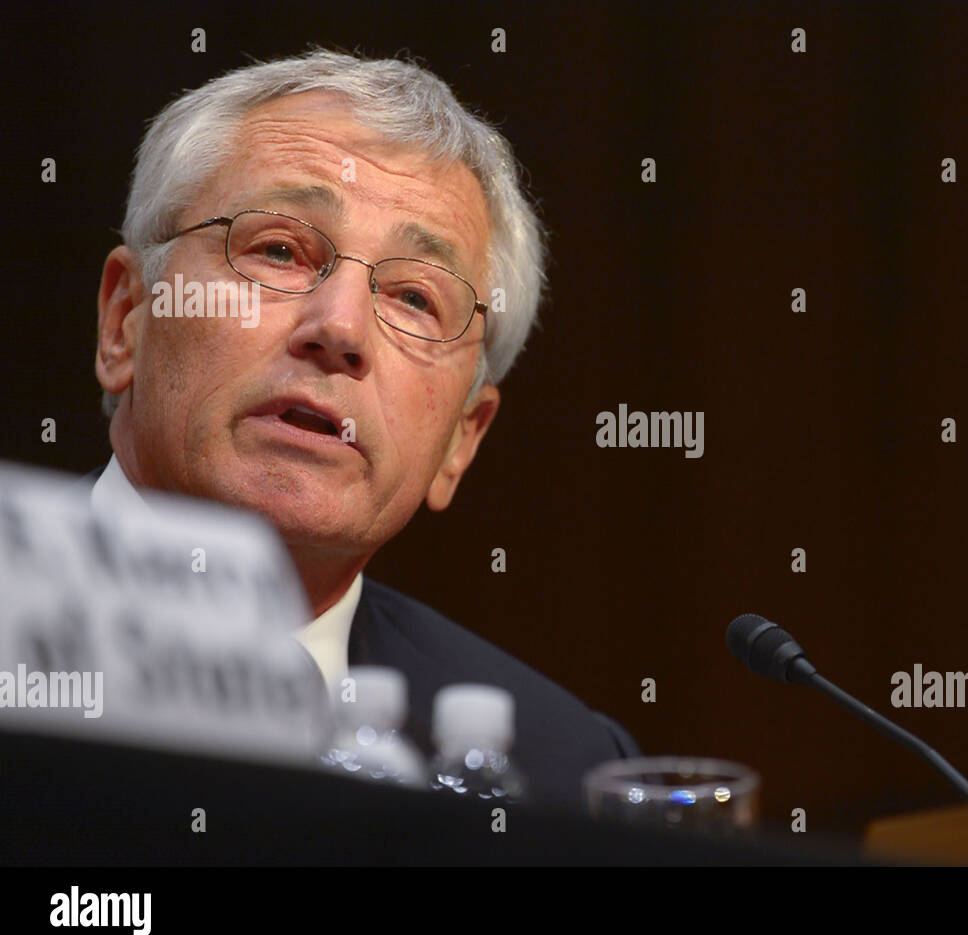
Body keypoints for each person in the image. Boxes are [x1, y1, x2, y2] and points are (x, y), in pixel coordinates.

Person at [89, 49, 639, 810]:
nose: (341, 328)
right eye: (279, 250)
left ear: (461, 443)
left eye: (415, 298)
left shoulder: (561, 774)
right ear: (127, 322)